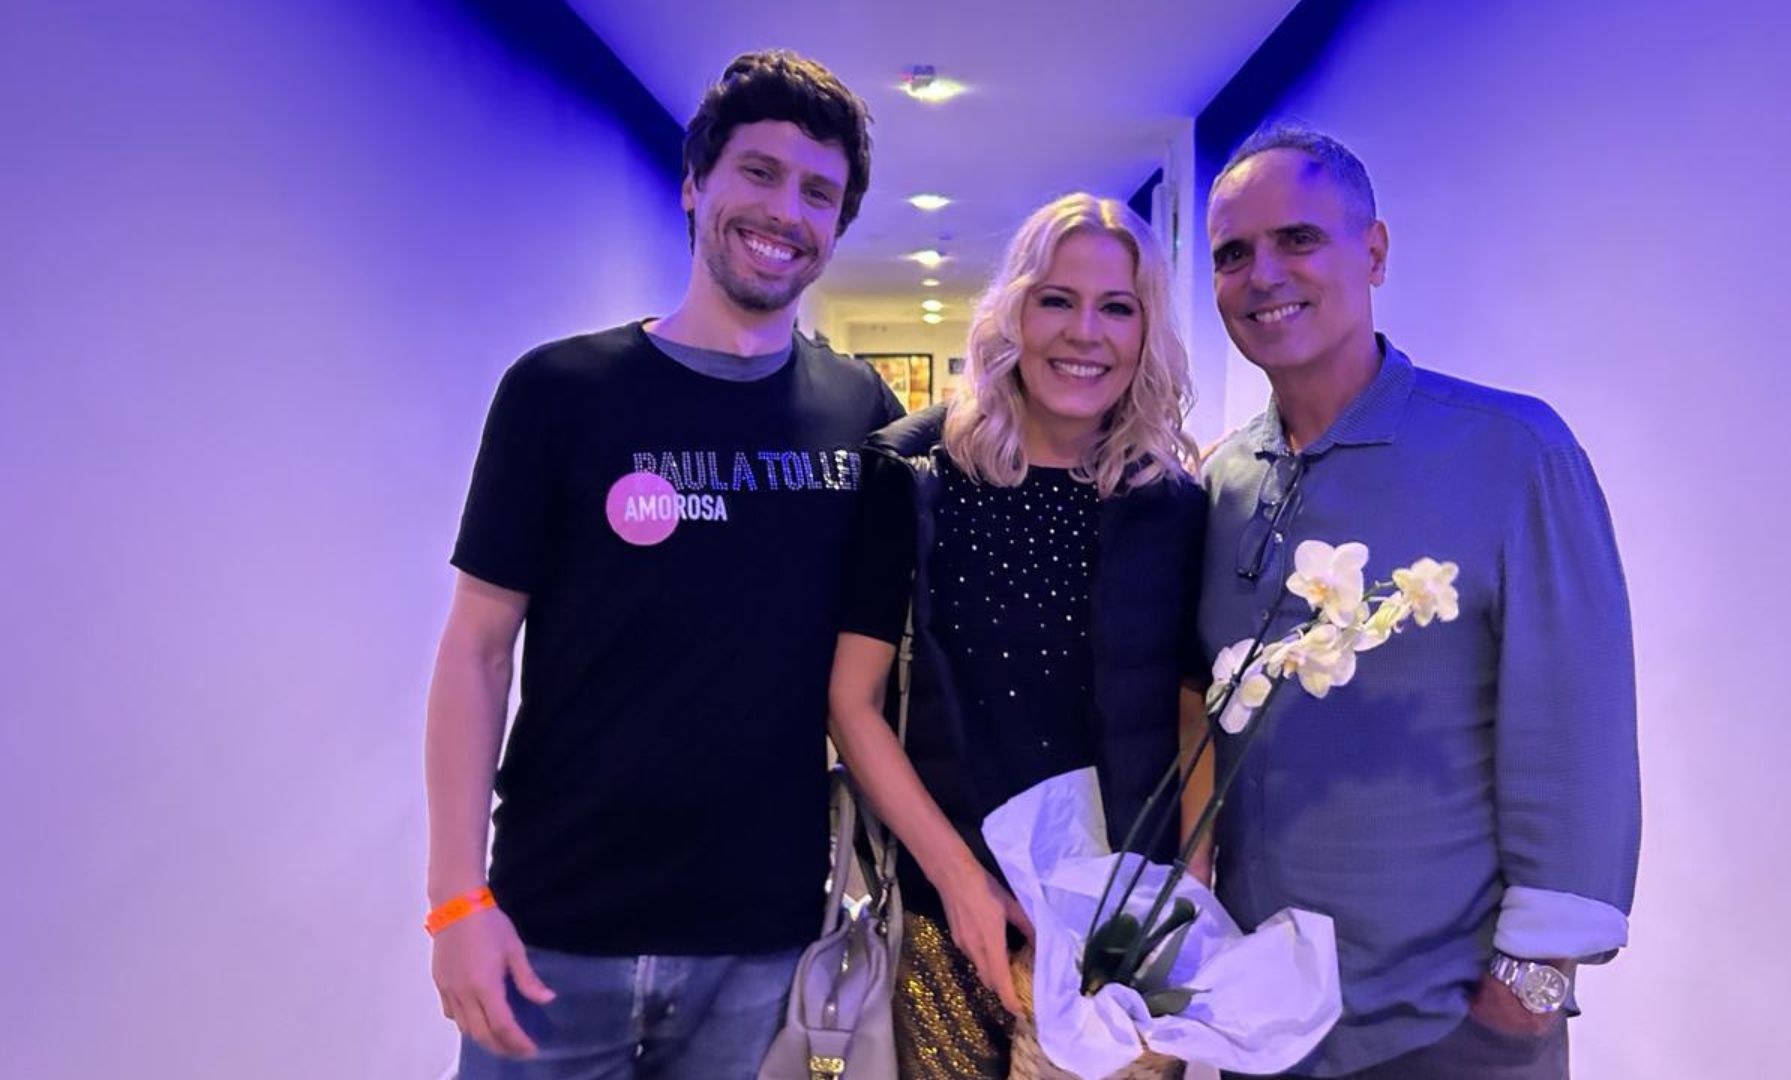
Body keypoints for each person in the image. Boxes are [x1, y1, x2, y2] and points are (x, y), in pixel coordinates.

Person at [423, 50, 902, 1079]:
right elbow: (476, 650)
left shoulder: (861, 415)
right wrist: (456, 898)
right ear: (694, 184)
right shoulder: (559, 391)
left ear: (837, 228)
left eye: (818, 193)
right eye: (759, 172)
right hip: (554, 932)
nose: (785, 211)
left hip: (761, 945)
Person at [1197, 123, 1641, 1080]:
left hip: (1443, 1030)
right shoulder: (1224, 480)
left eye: (1297, 239)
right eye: (1233, 254)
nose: (1263, 274)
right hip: (1259, 1026)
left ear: (1374, 252)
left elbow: (1578, 734)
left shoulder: (1512, 452)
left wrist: (1523, 999)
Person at [829, 193, 1212, 1080]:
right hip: (950, 917)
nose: (1085, 333)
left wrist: (1190, 887)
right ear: (1013, 312)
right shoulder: (913, 474)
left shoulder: (1172, 503)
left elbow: (1193, 709)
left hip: (1121, 937)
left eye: (1117, 307)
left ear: (1147, 331)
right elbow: (850, 703)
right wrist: (959, 879)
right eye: (1056, 300)